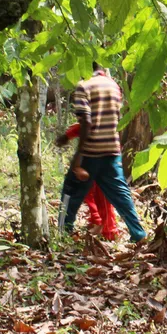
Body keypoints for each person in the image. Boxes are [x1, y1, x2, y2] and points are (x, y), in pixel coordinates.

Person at [59, 62, 147, 243]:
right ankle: (138, 233)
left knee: (70, 192)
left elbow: (87, 123)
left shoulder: (83, 87)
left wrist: (78, 158)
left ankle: (62, 233)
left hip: (91, 152)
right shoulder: (114, 86)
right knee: (121, 194)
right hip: (112, 150)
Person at [57, 123, 120, 241]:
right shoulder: (107, 120)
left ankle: (64, 229)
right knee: (95, 197)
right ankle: (104, 227)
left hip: (89, 165)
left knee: (72, 196)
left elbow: (82, 127)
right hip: (100, 165)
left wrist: (66, 137)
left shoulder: (91, 118)